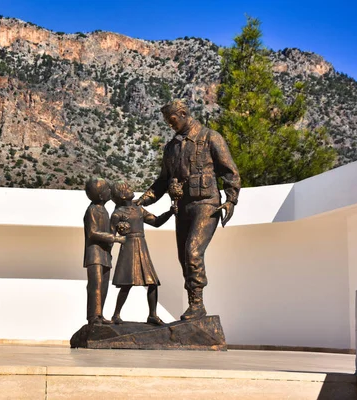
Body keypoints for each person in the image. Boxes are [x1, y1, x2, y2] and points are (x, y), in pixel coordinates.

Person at [136, 100, 241, 321]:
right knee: (184, 258)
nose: (169, 125)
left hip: (206, 204)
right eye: (166, 121)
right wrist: (143, 200)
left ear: (183, 114)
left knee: (193, 252)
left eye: (172, 120)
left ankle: (197, 305)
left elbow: (230, 172)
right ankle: (195, 305)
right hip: (181, 208)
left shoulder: (211, 137)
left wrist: (231, 199)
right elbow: (162, 182)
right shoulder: (171, 147)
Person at [109, 181, 173, 326]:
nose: (131, 189)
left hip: (141, 246)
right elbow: (111, 236)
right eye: (127, 188)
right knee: (127, 283)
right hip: (129, 247)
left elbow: (156, 222)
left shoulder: (138, 209)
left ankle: (152, 315)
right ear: (121, 195)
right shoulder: (117, 214)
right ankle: (116, 314)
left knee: (152, 282)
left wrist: (170, 212)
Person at [83, 177, 125, 325]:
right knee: (96, 285)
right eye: (108, 190)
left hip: (105, 254)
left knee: (104, 285)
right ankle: (93, 316)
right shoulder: (92, 210)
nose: (110, 192)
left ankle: (99, 315)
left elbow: (109, 230)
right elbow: (93, 233)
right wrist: (115, 239)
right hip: (94, 254)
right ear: (101, 195)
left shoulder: (104, 210)